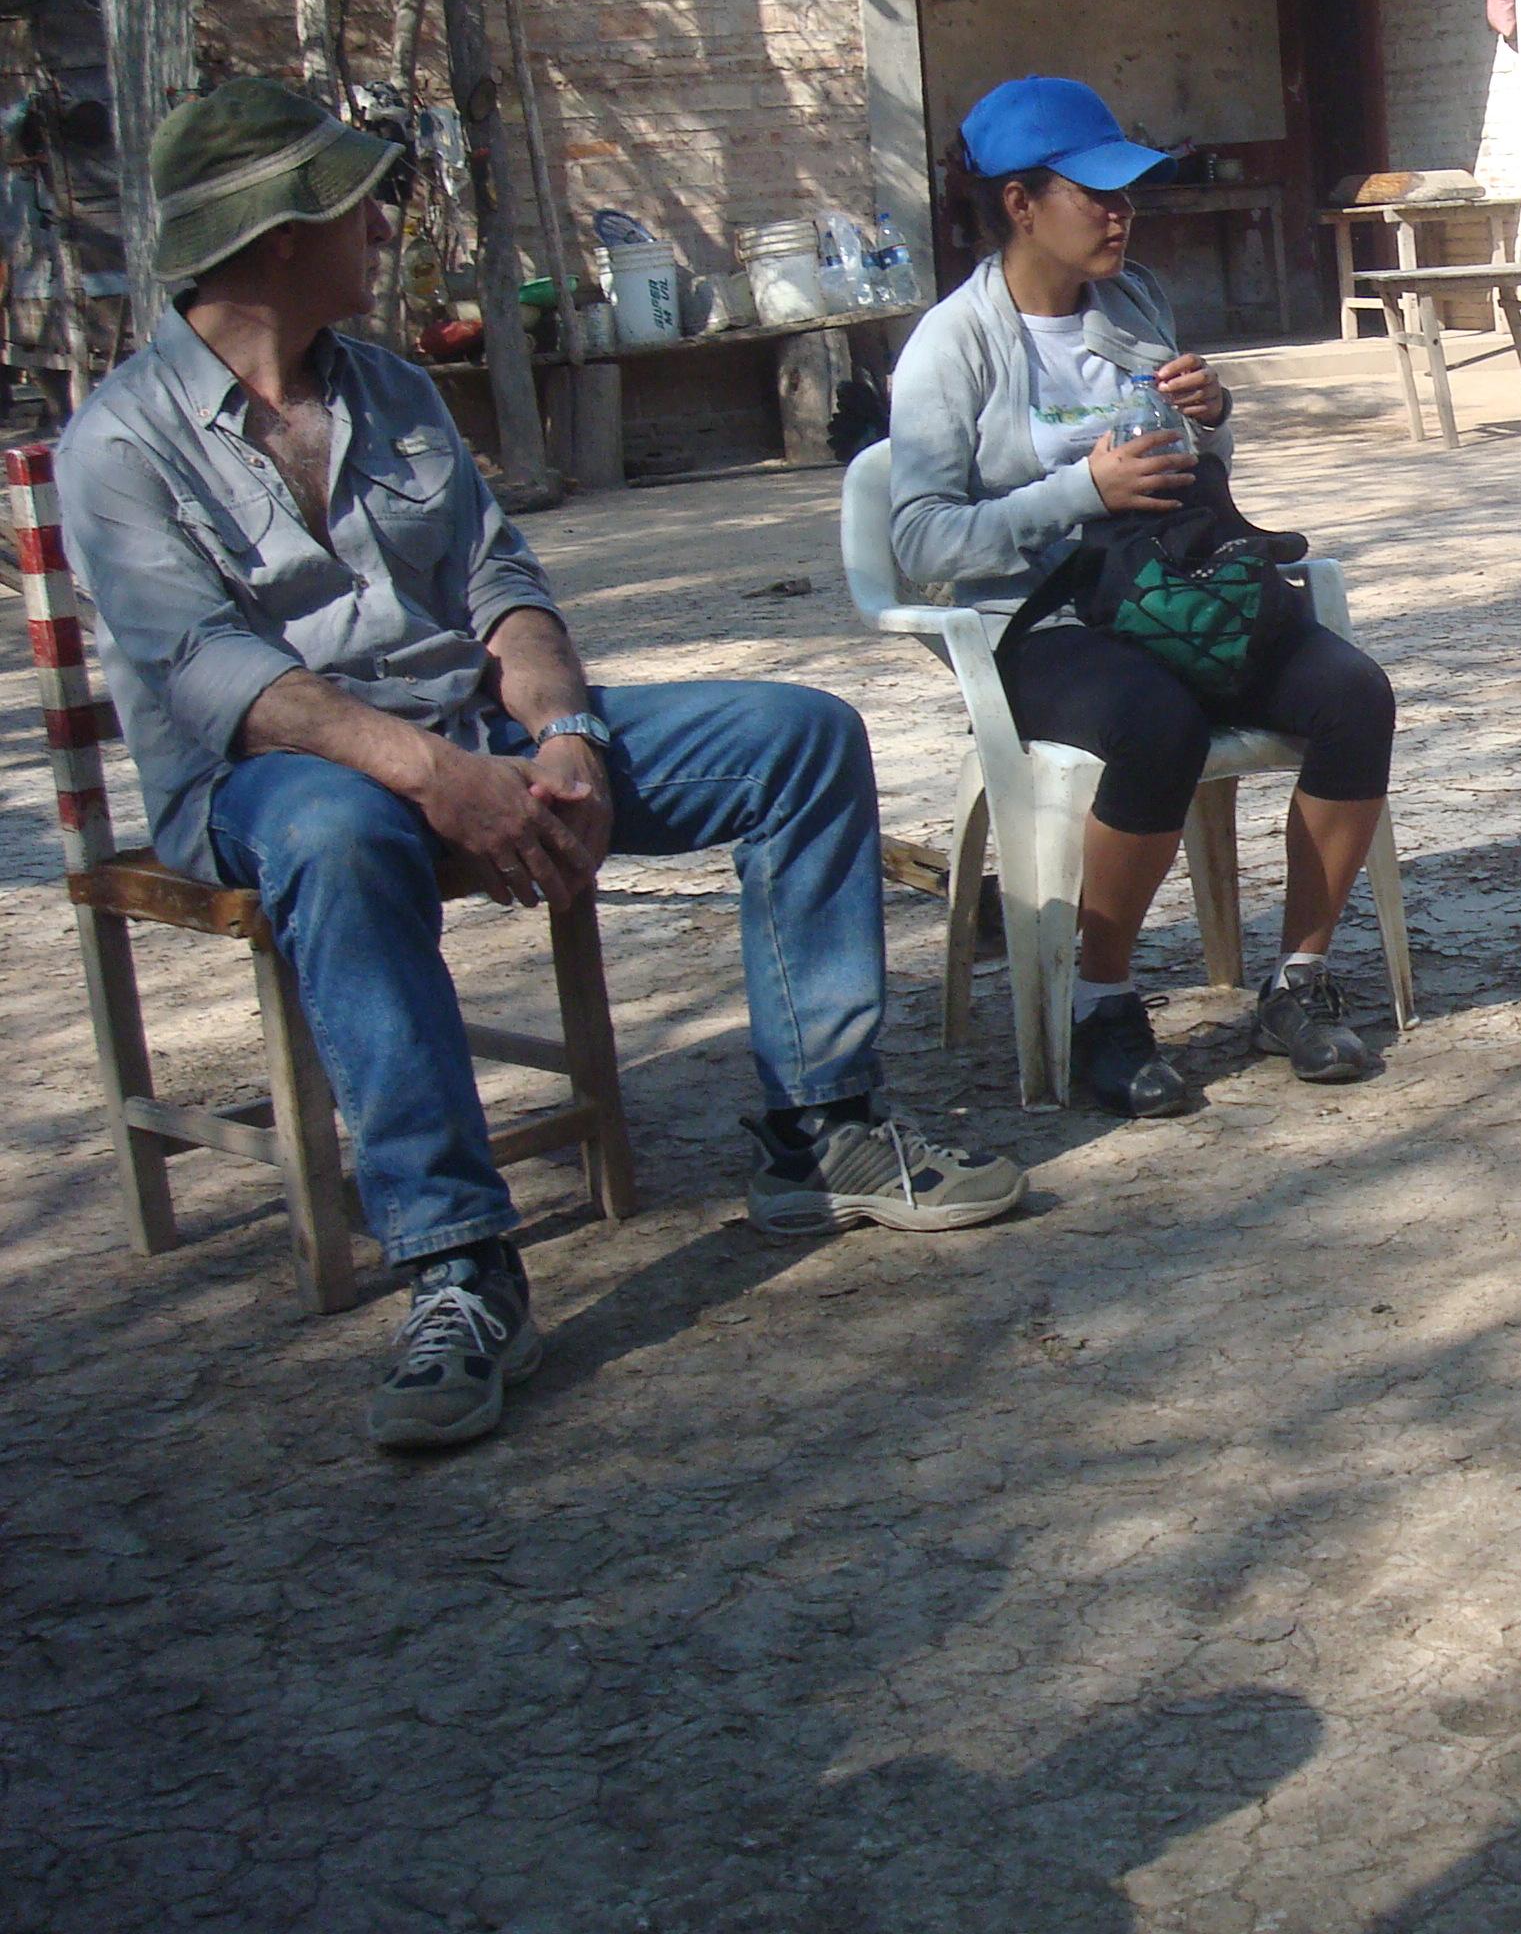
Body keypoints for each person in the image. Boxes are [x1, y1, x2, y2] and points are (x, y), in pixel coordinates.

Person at [56, 80, 1023, 1453]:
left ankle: (824, 1125)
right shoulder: (118, 444)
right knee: (341, 835)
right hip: (272, 774)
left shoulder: (385, 388)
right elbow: (225, 680)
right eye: (357, 204)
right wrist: (443, 779)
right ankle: (457, 1264)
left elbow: (500, 580)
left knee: (797, 737)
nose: (385, 226)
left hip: (479, 730)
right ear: (280, 239)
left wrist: (561, 732)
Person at [885, 77, 1397, 1114]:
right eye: (1096, 195)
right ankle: (1101, 1002)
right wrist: (1081, 491)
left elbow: (1187, 460)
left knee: (1354, 695)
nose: (1122, 215)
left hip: (1168, 590)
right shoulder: (952, 345)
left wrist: (1212, 416)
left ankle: (1295, 982)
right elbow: (920, 542)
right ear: (1021, 204)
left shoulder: (1136, 302)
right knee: (1153, 724)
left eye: (1127, 195)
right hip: (1043, 621)